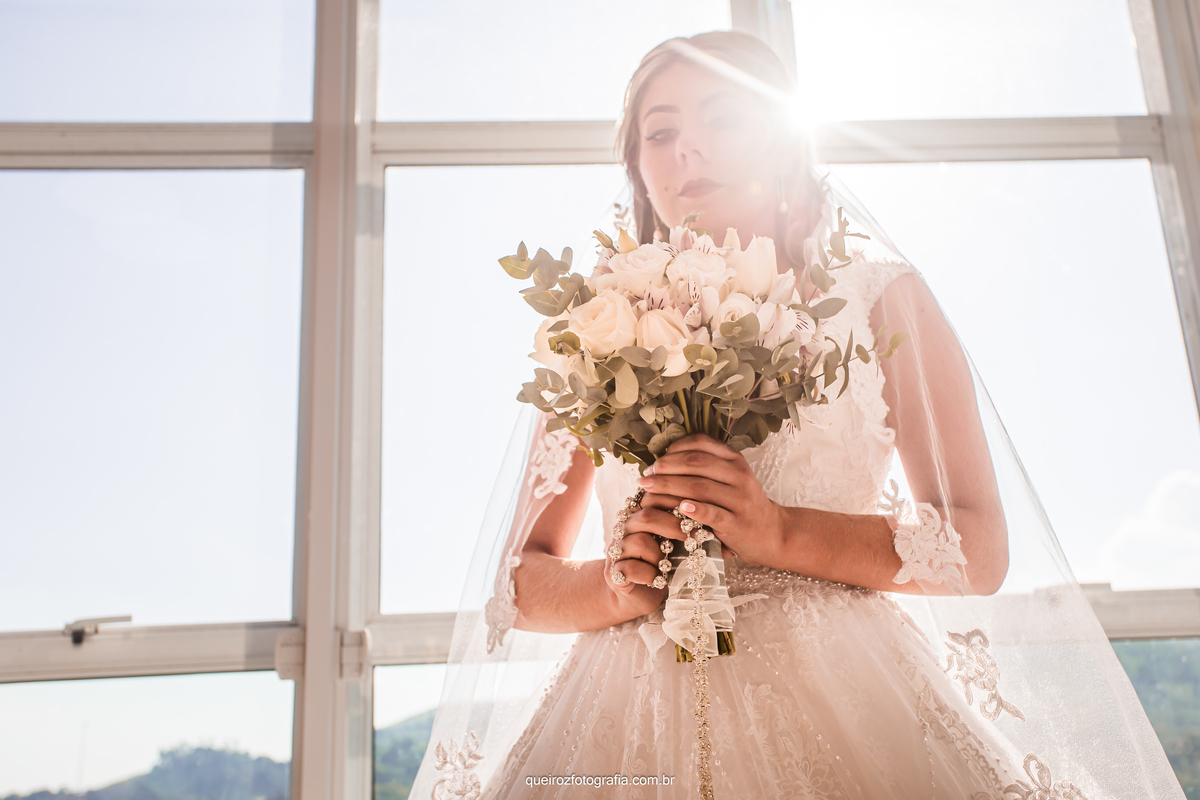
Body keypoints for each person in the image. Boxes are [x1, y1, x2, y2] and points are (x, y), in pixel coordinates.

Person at [409, 31, 1185, 800]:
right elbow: (520, 581)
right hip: (621, 708)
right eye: (661, 132)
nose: (689, 150)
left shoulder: (879, 301)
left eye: (724, 119)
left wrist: (778, 531)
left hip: (850, 695)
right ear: (638, 168)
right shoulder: (592, 329)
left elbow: (977, 549)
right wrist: (616, 585)